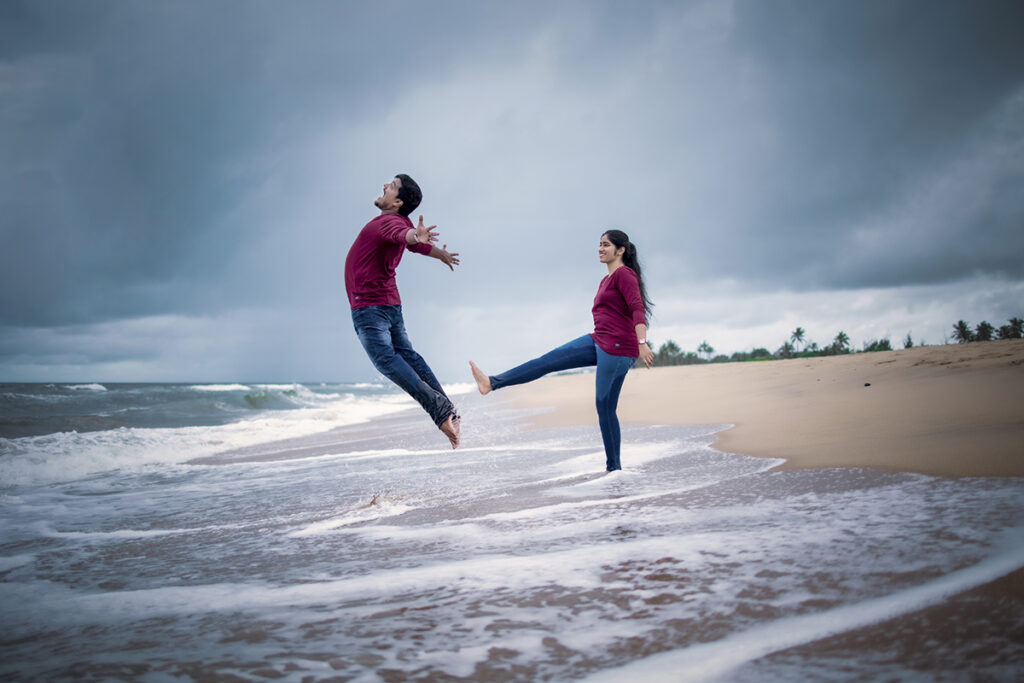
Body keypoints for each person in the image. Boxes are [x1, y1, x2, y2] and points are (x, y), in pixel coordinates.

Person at [470, 230, 654, 471]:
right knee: (547, 361)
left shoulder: (625, 275)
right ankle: (492, 383)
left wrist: (642, 343)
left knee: (605, 407)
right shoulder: (606, 280)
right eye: (599, 244)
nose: (600, 248)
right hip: (599, 339)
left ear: (620, 250)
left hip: (619, 348)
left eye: (606, 245)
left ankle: (614, 469)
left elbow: (637, 308)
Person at [345, 174, 462, 448]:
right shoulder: (400, 222)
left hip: (370, 307)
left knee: (387, 361)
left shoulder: (389, 223)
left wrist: (416, 237)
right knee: (408, 356)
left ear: (397, 202)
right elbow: (413, 242)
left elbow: (406, 237)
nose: (384, 185)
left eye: (391, 186)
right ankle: (451, 413)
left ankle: (441, 411)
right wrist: (439, 253)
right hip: (389, 304)